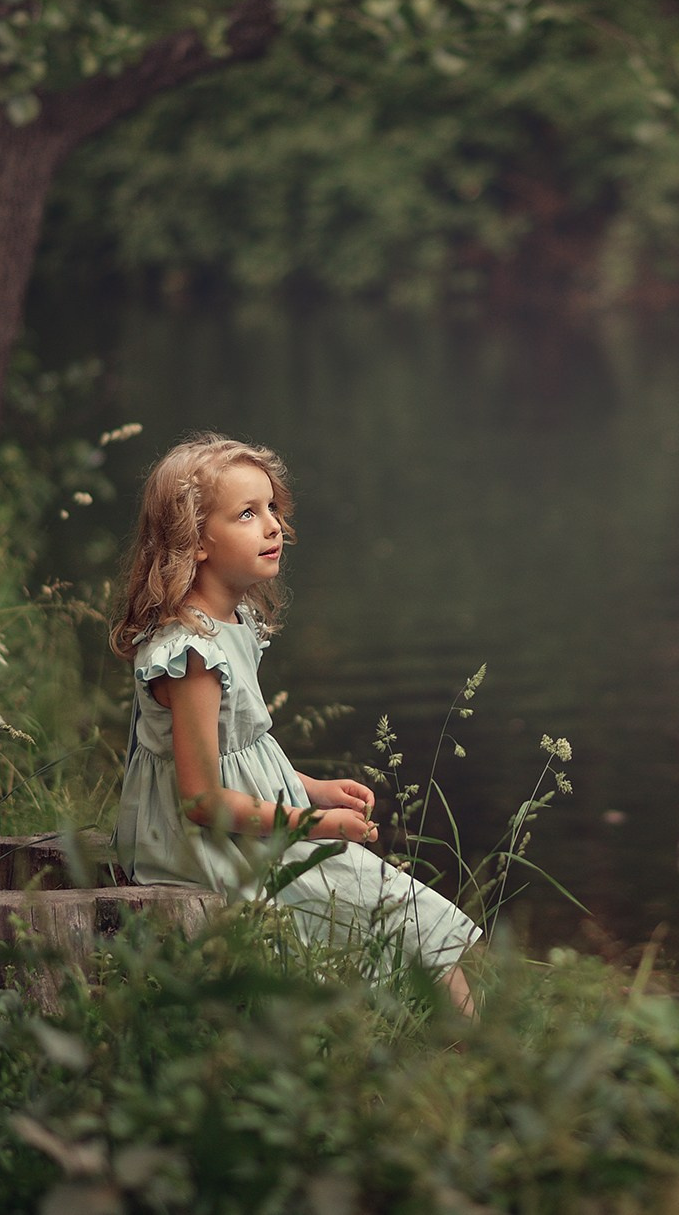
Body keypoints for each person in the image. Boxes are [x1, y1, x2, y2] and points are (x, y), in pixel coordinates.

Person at [110, 434, 479, 1015]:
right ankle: (469, 1064)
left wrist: (312, 788)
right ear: (196, 540)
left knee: (408, 921)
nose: (273, 526)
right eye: (248, 514)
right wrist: (314, 822)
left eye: (273, 509)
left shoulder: (231, 625)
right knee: (406, 916)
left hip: (249, 831)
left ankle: (456, 1059)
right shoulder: (193, 656)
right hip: (211, 851)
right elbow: (202, 800)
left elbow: (241, 750)